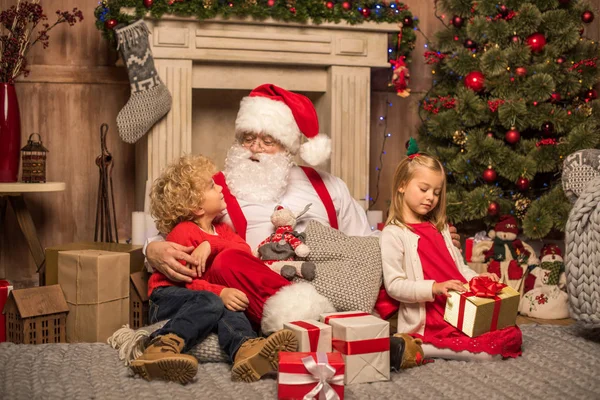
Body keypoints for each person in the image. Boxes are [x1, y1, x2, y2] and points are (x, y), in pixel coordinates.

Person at [130, 154, 298, 384]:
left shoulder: (222, 229)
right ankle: (161, 347)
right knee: (212, 301)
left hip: (202, 294)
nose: (220, 187)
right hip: (168, 296)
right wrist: (219, 292)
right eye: (211, 185)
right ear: (197, 207)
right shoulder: (184, 232)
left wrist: (210, 244)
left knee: (234, 309)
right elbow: (185, 281)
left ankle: (245, 350)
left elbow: (242, 249)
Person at [380, 144, 522, 364]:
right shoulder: (393, 234)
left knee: (509, 334)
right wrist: (434, 287)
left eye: (436, 193)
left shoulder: (441, 228)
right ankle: (424, 346)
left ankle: (426, 348)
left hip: (457, 311)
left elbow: (458, 269)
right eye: (424, 189)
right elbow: (395, 285)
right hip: (430, 319)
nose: (431, 198)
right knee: (487, 354)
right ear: (401, 186)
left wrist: (478, 279)